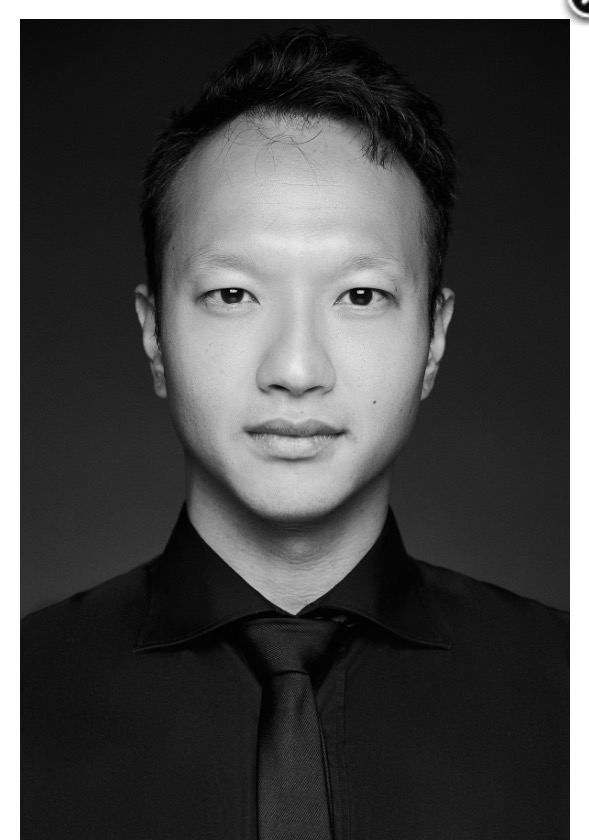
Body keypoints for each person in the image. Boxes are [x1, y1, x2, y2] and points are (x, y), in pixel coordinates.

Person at [21, 26, 568, 840]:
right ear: (152, 333)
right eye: (233, 294)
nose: (296, 367)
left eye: (360, 296)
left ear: (434, 337)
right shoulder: (20, 695)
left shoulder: (566, 689)